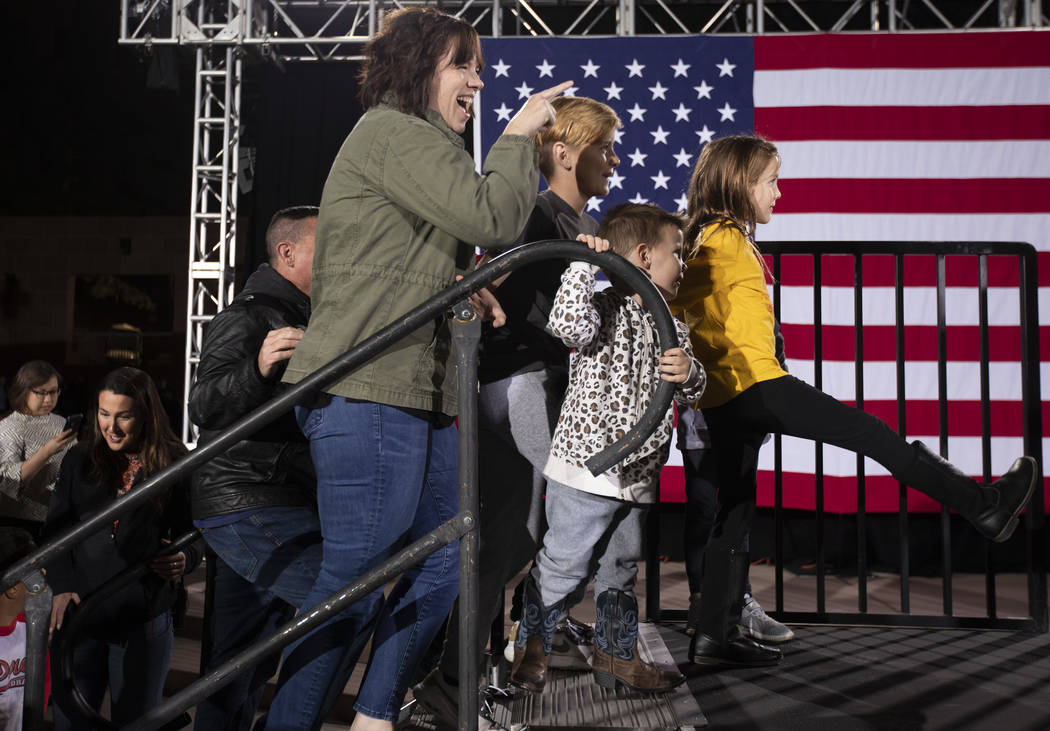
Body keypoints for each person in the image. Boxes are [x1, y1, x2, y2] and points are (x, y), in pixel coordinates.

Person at [269, 7, 573, 730]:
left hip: (419, 389)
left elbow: (400, 259)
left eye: (477, 65)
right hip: (367, 386)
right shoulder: (394, 131)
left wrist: (467, 290)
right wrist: (517, 136)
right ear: (416, 69)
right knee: (355, 577)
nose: (476, 79)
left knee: (451, 552)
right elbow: (493, 215)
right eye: (460, 64)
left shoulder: (421, 144)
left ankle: (375, 716)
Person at [675, 134, 1037, 668]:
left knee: (735, 508)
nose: (780, 192)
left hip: (728, 395)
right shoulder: (720, 238)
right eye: (771, 181)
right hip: (754, 387)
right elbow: (668, 291)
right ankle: (983, 506)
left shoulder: (716, 237)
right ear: (736, 184)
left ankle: (714, 635)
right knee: (874, 436)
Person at [413, 94, 622, 723]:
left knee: (512, 533)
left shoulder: (571, 223)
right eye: (603, 147)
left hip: (534, 384)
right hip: (515, 385)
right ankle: (475, 662)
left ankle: (462, 673)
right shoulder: (536, 214)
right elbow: (484, 283)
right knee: (568, 513)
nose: (613, 159)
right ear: (562, 153)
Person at [510, 204, 705, 694]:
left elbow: (692, 391)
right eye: (676, 254)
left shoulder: (673, 328)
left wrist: (691, 373)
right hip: (588, 469)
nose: (683, 265)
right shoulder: (605, 308)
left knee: (621, 565)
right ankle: (533, 642)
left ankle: (615, 656)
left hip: (637, 472)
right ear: (643, 256)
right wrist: (583, 265)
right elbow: (568, 324)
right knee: (565, 560)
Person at [188, 206, 321, 730]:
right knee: (339, 603)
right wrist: (258, 369)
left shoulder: (306, 313)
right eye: (324, 245)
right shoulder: (249, 316)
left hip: (275, 501)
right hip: (249, 504)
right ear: (286, 253)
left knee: (246, 662)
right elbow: (204, 404)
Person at [45, 367, 204, 728]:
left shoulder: (175, 461)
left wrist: (184, 558)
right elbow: (54, 534)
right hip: (80, 613)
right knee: (71, 723)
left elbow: (194, 532)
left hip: (142, 619)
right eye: (104, 414)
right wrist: (62, 585)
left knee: (135, 722)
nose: (111, 427)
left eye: (124, 416)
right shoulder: (78, 460)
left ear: (145, 414)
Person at [0, 361, 77, 536]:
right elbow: (8, 482)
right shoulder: (9, 427)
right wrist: (46, 452)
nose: (49, 399)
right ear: (24, 390)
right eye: (41, 393)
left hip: (61, 515)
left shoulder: (60, 422)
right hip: (23, 524)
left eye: (53, 391)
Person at [0, 528, 50, 730]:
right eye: (36, 569)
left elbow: (43, 683)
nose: (44, 574)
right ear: (12, 587)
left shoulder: (32, 628)